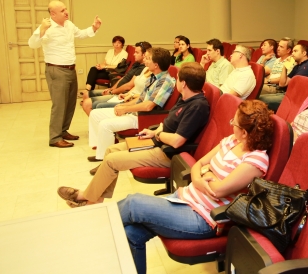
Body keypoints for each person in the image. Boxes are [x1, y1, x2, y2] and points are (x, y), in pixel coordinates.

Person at [117, 100, 274, 274]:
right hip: (185, 197)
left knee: (133, 204)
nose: (231, 125)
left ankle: (96, 232)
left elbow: (218, 191)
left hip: (203, 218)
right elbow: (199, 164)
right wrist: (204, 176)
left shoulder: (256, 160)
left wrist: (205, 174)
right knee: (131, 233)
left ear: (244, 132)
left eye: (234, 123)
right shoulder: (232, 141)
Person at [57, 62, 211, 209]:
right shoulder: (185, 98)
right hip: (158, 140)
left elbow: (177, 141)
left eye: (178, 79)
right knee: (110, 150)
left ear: (183, 84)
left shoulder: (197, 106)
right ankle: (95, 199)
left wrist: (158, 134)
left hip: (167, 152)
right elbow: (168, 122)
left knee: (111, 161)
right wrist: (154, 132)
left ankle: (87, 198)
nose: (176, 81)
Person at [27, 0, 102, 148]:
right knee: (59, 104)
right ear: (53, 14)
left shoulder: (69, 24)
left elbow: (81, 34)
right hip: (56, 70)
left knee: (70, 103)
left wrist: (94, 28)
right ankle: (55, 138)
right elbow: (32, 44)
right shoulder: (47, 27)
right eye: (62, 10)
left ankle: (63, 130)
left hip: (70, 69)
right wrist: (41, 30)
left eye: (65, 9)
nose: (66, 12)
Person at [87, 47, 175, 160]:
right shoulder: (153, 77)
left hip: (143, 117)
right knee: (95, 114)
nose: (145, 61)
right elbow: (140, 99)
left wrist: (126, 109)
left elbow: (148, 106)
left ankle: (104, 159)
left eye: (148, 58)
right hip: (135, 112)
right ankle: (100, 150)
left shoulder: (165, 81)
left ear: (156, 65)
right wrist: (124, 105)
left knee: (105, 125)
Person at [81, 41, 151, 115]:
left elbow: (130, 86)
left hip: (123, 94)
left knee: (91, 104)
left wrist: (112, 92)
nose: (134, 54)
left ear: (144, 55)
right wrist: (111, 89)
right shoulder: (138, 64)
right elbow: (124, 77)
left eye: (137, 52)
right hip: (122, 93)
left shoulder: (143, 68)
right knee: (87, 94)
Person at [259, 43, 308, 111]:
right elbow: (282, 84)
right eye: (292, 51)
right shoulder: (296, 67)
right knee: (259, 97)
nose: (292, 54)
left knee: (261, 100)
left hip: (300, 97)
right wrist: (285, 66)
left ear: (304, 53)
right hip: (287, 94)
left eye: (295, 51)